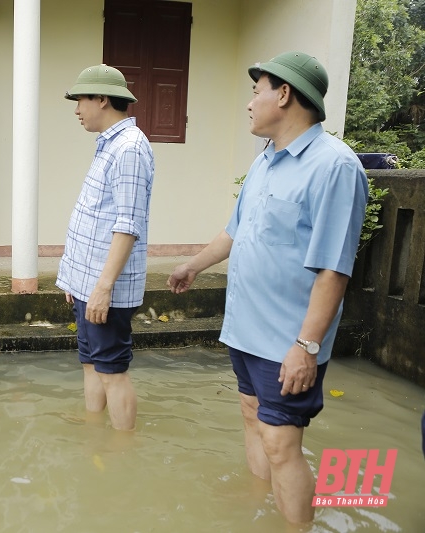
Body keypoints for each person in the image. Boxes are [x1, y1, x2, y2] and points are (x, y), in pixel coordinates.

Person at [167, 52, 368, 524]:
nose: (250, 103)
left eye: (257, 90)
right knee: (251, 418)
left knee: (281, 442)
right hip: (246, 328)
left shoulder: (334, 166)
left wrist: (306, 345)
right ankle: (263, 509)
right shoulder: (266, 162)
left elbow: (334, 270)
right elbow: (235, 232)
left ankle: (297, 525)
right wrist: (193, 266)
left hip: (288, 339)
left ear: (284, 94)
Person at [57, 64, 155, 431]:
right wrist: (76, 279)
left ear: (102, 98)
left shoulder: (129, 148)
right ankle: (93, 426)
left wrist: (101, 287)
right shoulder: (110, 145)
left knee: (112, 369)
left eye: (81, 99)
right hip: (88, 281)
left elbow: (128, 225)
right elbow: (96, 216)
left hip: (105, 287)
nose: (77, 109)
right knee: (90, 361)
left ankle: (121, 448)